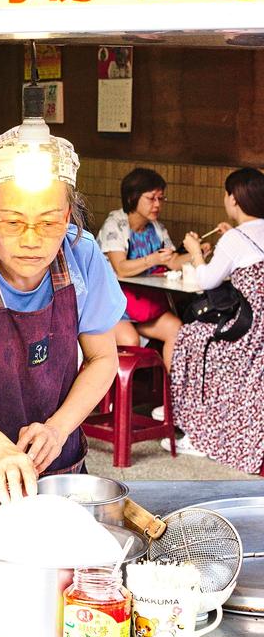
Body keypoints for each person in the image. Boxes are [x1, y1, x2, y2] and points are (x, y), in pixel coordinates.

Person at [0, 125, 126, 507]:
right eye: (13, 222)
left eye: (50, 222)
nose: (32, 240)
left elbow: (103, 358)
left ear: (69, 213)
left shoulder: (82, 256)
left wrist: (57, 429)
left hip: (59, 466)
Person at [170, 168, 264, 468]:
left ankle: (196, 429)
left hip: (247, 333)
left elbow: (206, 281)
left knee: (190, 336)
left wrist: (195, 252)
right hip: (260, 330)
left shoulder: (235, 238)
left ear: (233, 198)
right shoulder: (239, 236)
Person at [97, 167, 192, 371]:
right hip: (113, 307)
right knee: (129, 340)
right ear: (133, 197)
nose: (157, 205)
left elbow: (173, 262)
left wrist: (197, 252)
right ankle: (116, 401)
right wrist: (152, 259)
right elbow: (121, 269)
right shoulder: (115, 225)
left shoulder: (156, 227)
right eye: (151, 198)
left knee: (177, 330)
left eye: (160, 199)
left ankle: (171, 400)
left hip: (143, 307)